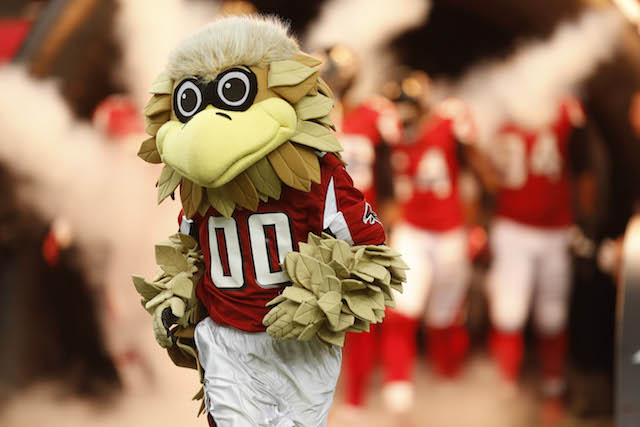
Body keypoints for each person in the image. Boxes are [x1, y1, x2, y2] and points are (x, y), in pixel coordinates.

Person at [486, 97, 586, 415]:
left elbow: (583, 166)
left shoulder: (564, 107)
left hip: (555, 228)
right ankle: (505, 387)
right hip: (513, 225)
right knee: (508, 312)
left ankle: (552, 387)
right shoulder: (498, 107)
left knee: (552, 315)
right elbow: (484, 170)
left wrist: (585, 219)